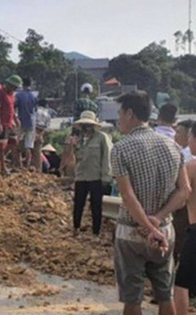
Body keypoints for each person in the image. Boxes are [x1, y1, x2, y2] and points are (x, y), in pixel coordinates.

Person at [112, 90, 190, 315]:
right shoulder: (173, 147)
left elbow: (127, 196)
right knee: (165, 294)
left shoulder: (121, 149)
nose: (118, 120)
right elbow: (184, 191)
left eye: (120, 113)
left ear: (130, 113)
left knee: (132, 299)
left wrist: (147, 226)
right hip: (165, 231)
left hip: (131, 233)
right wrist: (157, 220)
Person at [72, 110, 112, 237]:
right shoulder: (79, 139)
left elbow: (107, 157)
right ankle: (75, 228)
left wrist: (106, 176)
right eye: (84, 125)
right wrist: (74, 145)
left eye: (88, 125)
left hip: (96, 177)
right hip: (81, 176)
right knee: (78, 203)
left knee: (96, 205)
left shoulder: (101, 138)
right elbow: (77, 157)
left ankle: (96, 232)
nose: (86, 128)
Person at [174, 123, 196, 315]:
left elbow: (182, 195)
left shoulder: (191, 166)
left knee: (181, 282)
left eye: (190, 137)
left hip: (195, 230)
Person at [0, 75, 22, 175]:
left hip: (10, 123)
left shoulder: (11, 95)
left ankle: (0, 159)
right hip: (2, 122)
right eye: (14, 87)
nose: (14, 89)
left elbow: (11, 109)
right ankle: (3, 168)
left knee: (13, 142)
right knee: (2, 145)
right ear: (9, 85)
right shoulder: (0, 93)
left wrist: (15, 119)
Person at [14, 77, 38, 168]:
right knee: (28, 145)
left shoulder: (19, 95)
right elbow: (35, 109)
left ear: (22, 84)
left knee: (16, 142)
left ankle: (18, 163)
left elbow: (14, 106)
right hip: (31, 122)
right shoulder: (34, 96)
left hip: (21, 121)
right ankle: (27, 165)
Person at [33, 99, 52, 170]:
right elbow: (47, 128)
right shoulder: (48, 115)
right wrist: (40, 135)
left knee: (27, 149)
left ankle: (28, 167)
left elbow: (33, 123)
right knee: (38, 152)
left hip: (33, 131)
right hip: (41, 133)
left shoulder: (35, 111)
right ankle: (38, 170)